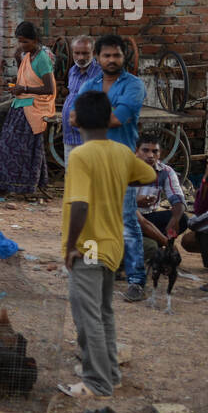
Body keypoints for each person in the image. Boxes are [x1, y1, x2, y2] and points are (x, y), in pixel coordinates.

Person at [60, 90, 157, 413]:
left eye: (72, 111)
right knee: (104, 314)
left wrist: (71, 245)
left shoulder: (80, 156)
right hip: (113, 247)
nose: (69, 115)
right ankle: (110, 375)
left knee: (88, 318)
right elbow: (149, 174)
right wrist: (115, 177)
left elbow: (80, 205)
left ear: (80, 119)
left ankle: (97, 382)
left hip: (87, 246)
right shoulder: (121, 152)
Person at [77, 34, 147, 301]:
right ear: (97, 58)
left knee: (127, 222)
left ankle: (137, 279)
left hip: (121, 163)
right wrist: (93, 117)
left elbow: (118, 119)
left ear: (123, 57)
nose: (112, 60)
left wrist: (89, 116)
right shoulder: (90, 84)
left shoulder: (134, 85)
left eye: (116, 55)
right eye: (106, 55)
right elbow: (73, 117)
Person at [0, 21, 56, 196]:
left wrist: (24, 89)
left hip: (36, 105)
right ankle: (2, 184)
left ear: (35, 40)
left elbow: (49, 89)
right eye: (20, 42)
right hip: (23, 101)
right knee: (6, 141)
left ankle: (16, 186)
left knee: (11, 143)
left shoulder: (42, 58)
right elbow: (25, 78)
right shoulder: (27, 56)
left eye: (26, 42)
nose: (22, 45)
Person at [133, 133, 187, 248]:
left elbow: (178, 199)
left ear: (160, 154)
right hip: (128, 218)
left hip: (149, 217)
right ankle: (155, 243)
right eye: (145, 150)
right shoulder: (124, 168)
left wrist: (175, 219)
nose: (150, 155)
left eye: (155, 151)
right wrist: (134, 201)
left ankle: (151, 242)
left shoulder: (165, 171)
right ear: (136, 151)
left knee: (182, 218)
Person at [59, 35, 100, 164]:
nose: (81, 58)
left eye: (85, 53)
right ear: (72, 53)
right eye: (77, 53)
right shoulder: (72, 71)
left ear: (93, 53)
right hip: (70, 136)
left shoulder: (100, 75)